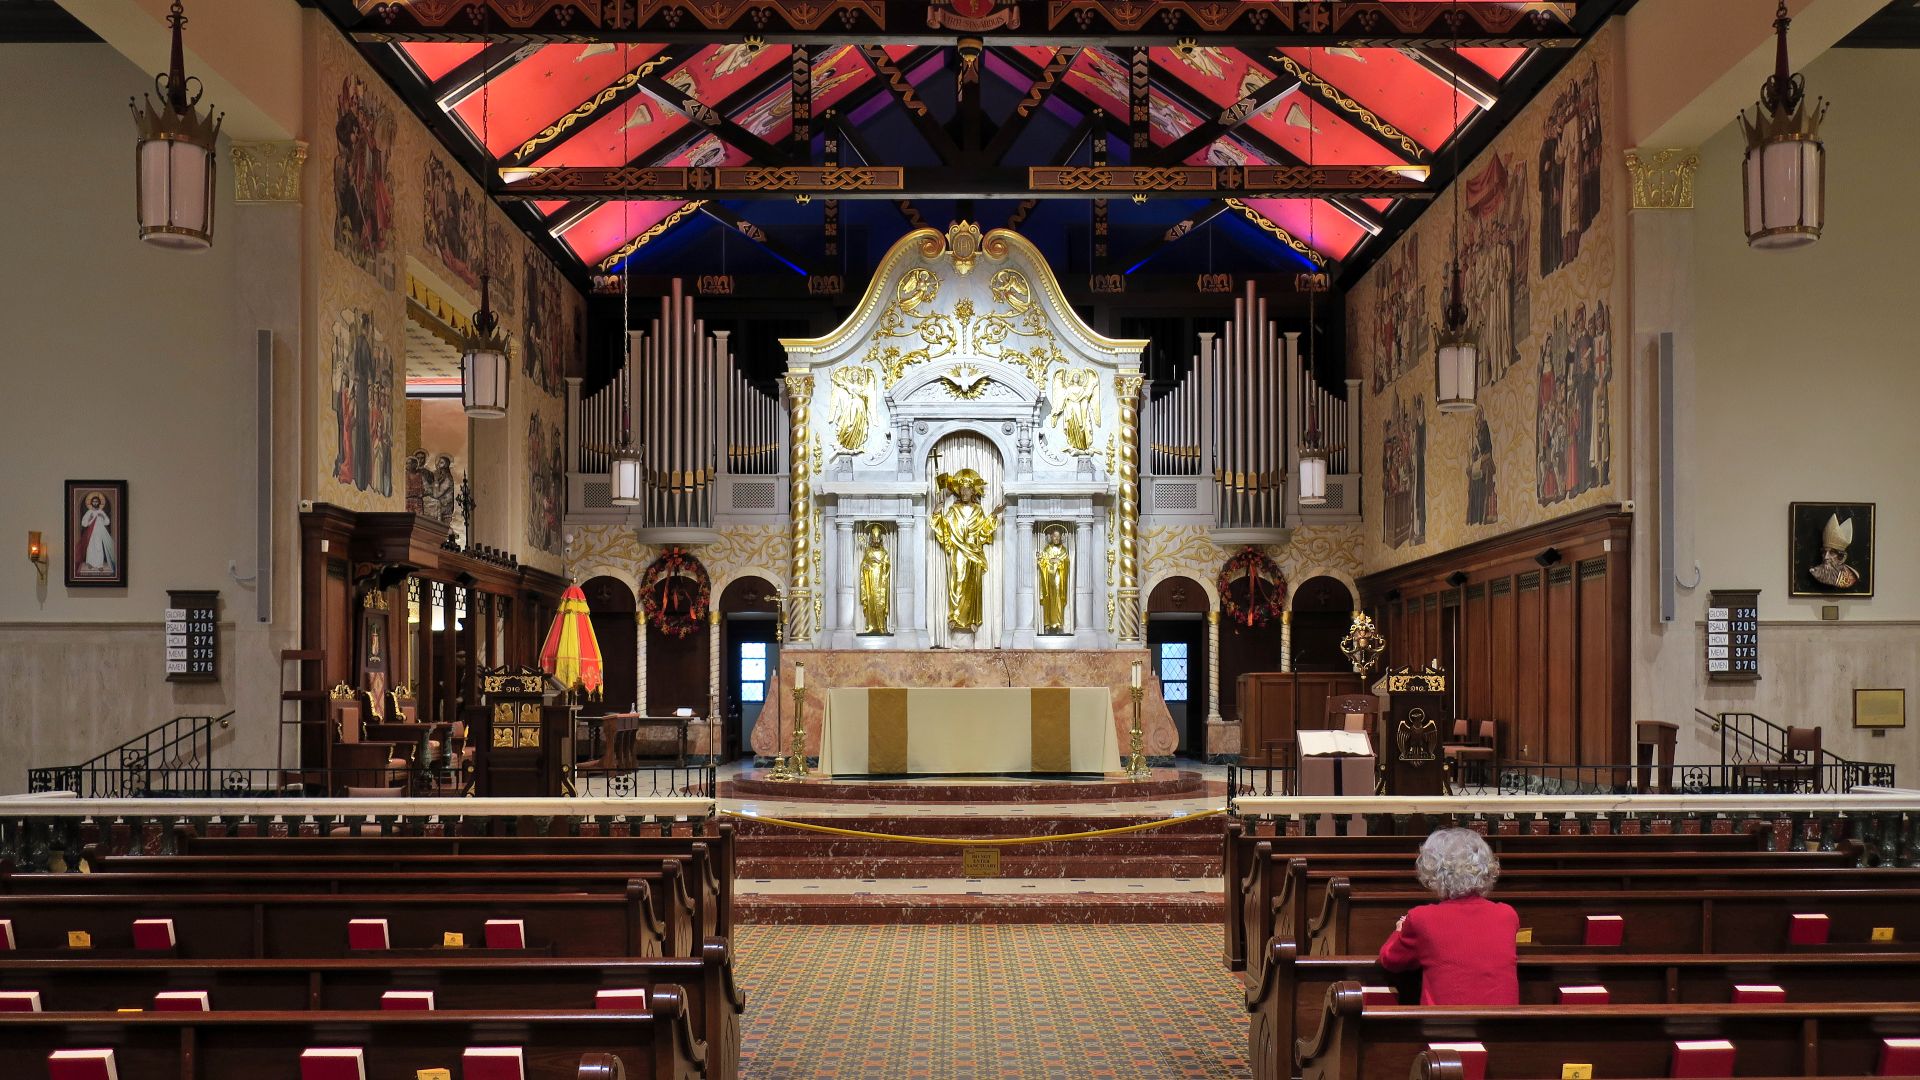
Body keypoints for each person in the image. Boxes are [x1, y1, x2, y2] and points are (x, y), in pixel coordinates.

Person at [1377, 828, 1519, 1005]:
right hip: (1503, 1028)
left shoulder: (1422, 918)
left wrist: (1399, 931)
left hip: (1444, 1028)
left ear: (1434, 873)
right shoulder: (1507, 915)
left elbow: (1390, 959)